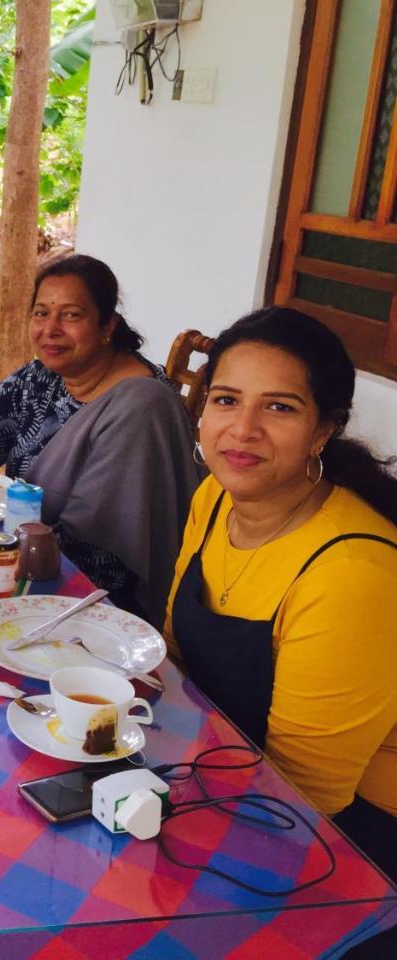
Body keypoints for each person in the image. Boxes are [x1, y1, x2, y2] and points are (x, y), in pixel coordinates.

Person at [164, 307, 397, 888]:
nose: (242, 430)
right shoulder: (215, 497)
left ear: (324, 429)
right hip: (219, 772)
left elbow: (303, 795)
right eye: (225, 400)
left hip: (341, 842)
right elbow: (172, 659)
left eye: (279, 407)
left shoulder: (352, 572)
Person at [0, 255, 202, 626]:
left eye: (72, 315)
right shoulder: (48, 373)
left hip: (92, 604)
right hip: (23, 562)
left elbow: (101, 556)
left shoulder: (141, 408)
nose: (51, 329)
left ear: (107, 325)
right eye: (41, 313)